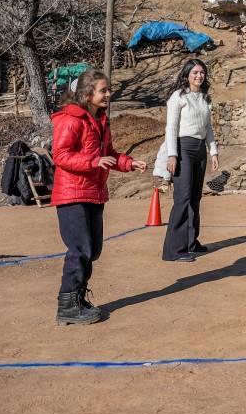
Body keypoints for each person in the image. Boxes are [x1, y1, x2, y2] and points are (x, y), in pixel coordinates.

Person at [50, 69, 147, 325]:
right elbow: (60, 155)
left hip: (94, 192)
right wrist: (93, 161)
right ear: (87, 93)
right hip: (72, 194)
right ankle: (67, 306)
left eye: (108, 90)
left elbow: (109, 154)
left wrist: (129, 163)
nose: (108, 94)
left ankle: (78, 299)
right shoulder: (70, 119)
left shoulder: (100, 120)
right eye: (103, 90)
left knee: (92, 250)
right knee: (80, 249)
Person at [161, 59, 219, 263]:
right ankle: (174, 250)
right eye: (195, 72)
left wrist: (213, 151)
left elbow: (208, 127)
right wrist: (172, 155)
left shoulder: (204, 98)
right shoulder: (178, 97)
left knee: (195, 197)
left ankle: (191, 242)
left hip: (200, 149)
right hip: (183, 148)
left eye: (202, 72)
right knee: (183, 198)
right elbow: (171, 127)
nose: (199, 76)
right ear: (187, 75)